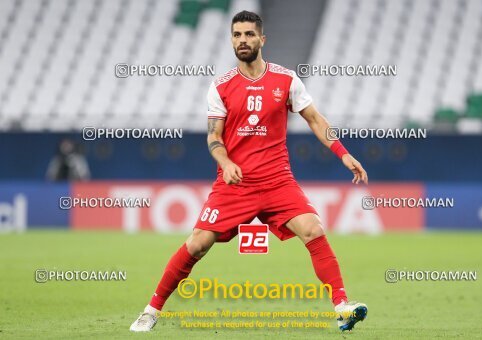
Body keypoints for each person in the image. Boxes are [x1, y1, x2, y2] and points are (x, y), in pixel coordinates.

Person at [130, 10, 368, 332]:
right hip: (235, 184)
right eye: (237, 35)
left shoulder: (285, 79)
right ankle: (151, 311)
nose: (243, 40)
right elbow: (214, 136)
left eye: (249, 35)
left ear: (261, 39)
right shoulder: (222, 86)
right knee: (197, 243)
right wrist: (227, 163)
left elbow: (314, 118)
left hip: (276, 181)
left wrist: (343, 153)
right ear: (232, 40)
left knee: (313, 228)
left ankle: (342, 306)